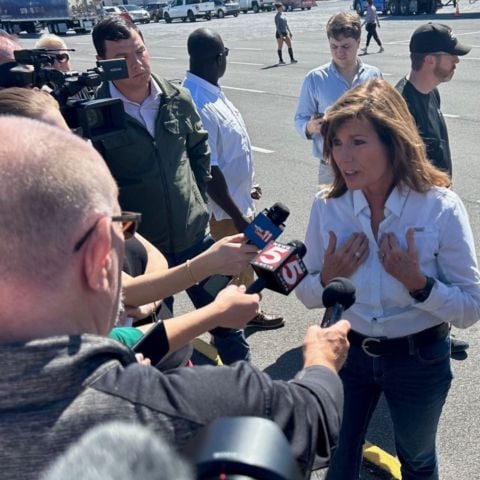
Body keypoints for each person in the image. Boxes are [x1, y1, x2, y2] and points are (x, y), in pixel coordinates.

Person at [0, 115, 350, 479]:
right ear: (100, 255)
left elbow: (133, 340)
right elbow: (312, 416)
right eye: (124, 227)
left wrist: (213, 312)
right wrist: (322, 358)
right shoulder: (203, 404)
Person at [295, 79, 480, 479]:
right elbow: (307, 293)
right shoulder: (328, 207)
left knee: (416, 460)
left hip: (420, 359)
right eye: (337, 143)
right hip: (349, 353)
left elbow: (470, 308)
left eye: (358, 142)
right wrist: (327, 276)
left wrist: (419, 285)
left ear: (393, 141)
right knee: (336, 460)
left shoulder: (439, 207)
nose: (343, 157)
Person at [91, 17, 251, 364]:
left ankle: (250, 395)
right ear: (103, 64)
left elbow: (199, 152)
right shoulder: (95, 116)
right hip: (147, 257)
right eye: (123, 57)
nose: (137, 64)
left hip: (196, 240)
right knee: (161, 343)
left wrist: (194, 202)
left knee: (228, 326)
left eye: (140, 51)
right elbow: (97, 192)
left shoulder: (177, 97)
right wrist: (129, 239)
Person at [183, 28, 284, 330]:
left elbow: (229, 154)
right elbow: (209, 171)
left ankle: (245, 315)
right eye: (226, 53)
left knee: (243, 265)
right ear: (218, 58)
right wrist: (239, 217)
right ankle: (228, 328)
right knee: (230, 268)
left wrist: (246, 187)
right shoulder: (199, 101)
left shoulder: (211, 91)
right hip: (224, 211)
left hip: (236, 202)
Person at [396, 22, 472, 354]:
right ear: (430, 59)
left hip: (437, 203)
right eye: (452, 56)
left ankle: (439, 330)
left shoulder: (430, 93)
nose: (456, 61)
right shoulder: (400, 106)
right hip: (415, 210)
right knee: (421, 274)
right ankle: (422, 341)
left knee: (439, 270)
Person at [294, 12, 382, 184]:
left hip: (368, 163)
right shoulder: (315, 78)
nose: (340, 52)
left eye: (346, 46)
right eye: (334, 47)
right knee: (332, 210)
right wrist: (309, 127)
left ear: (358, 42)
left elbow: (384, 115)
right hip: (331, 168)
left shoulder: (374, 75)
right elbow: (299, 119)